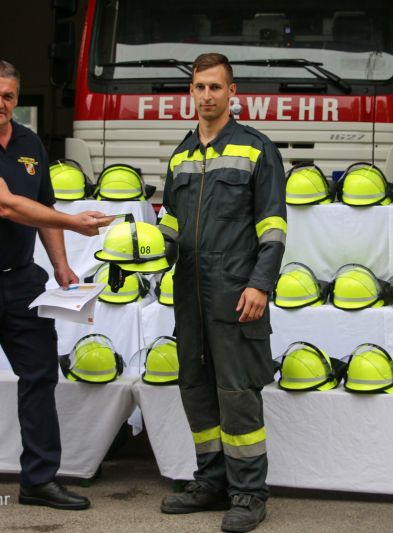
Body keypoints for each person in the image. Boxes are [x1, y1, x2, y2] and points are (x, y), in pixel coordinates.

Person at [0, 58, 114, 519]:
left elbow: (41, 204)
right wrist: (74, 223)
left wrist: (62, 265)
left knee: (40, 376)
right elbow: (8, 207)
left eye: (8, 96)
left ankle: (38, 480)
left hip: (22, 280)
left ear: (16, 98)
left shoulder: (29, 143)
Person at [157, 53, 287, 533]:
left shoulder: (256, 149)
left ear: (233, 93)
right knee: (195, 389)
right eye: (200, 87)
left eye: (216, 87)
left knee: (237, 394)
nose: (207, 95)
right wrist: (139, 257)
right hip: (189, 295)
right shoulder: (181, 155)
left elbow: (273, 226)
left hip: (236, 293)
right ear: (190, 92)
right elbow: (171, 225)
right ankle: (211, 482)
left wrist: (260, 284)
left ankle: (249, 493)